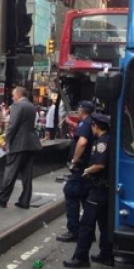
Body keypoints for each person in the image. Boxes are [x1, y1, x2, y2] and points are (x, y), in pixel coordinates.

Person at [64, 113, 114, 268]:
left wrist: (87, 170)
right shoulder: (109, 139)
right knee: (104, 223)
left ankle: (81, 257)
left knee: (86, 223)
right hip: (106, 189)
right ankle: (106, 254)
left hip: (99, 187)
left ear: (96, 126)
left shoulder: (102, 142)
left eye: (92, 126)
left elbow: (100, 164)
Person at [0, 87, 42, 209]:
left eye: (13, 95)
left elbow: (13, 125)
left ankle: (2, 198)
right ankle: (25, 201)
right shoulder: (31, 106)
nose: (12, 97)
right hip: (30, 144)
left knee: (10, 171)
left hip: (18, 144)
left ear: (18, 94)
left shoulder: (18, 106)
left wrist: (6, 141)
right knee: (27, 175)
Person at [58, 101, 95, 243]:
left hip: (81, 168)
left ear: (82, 110)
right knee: (86, 200)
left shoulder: (85, 124)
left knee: (71, 193)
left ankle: (73, 231)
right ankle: (88, 232)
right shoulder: (93, 122)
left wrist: (74, 161)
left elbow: (82, 142)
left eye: (78, 109)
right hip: (89, 169)